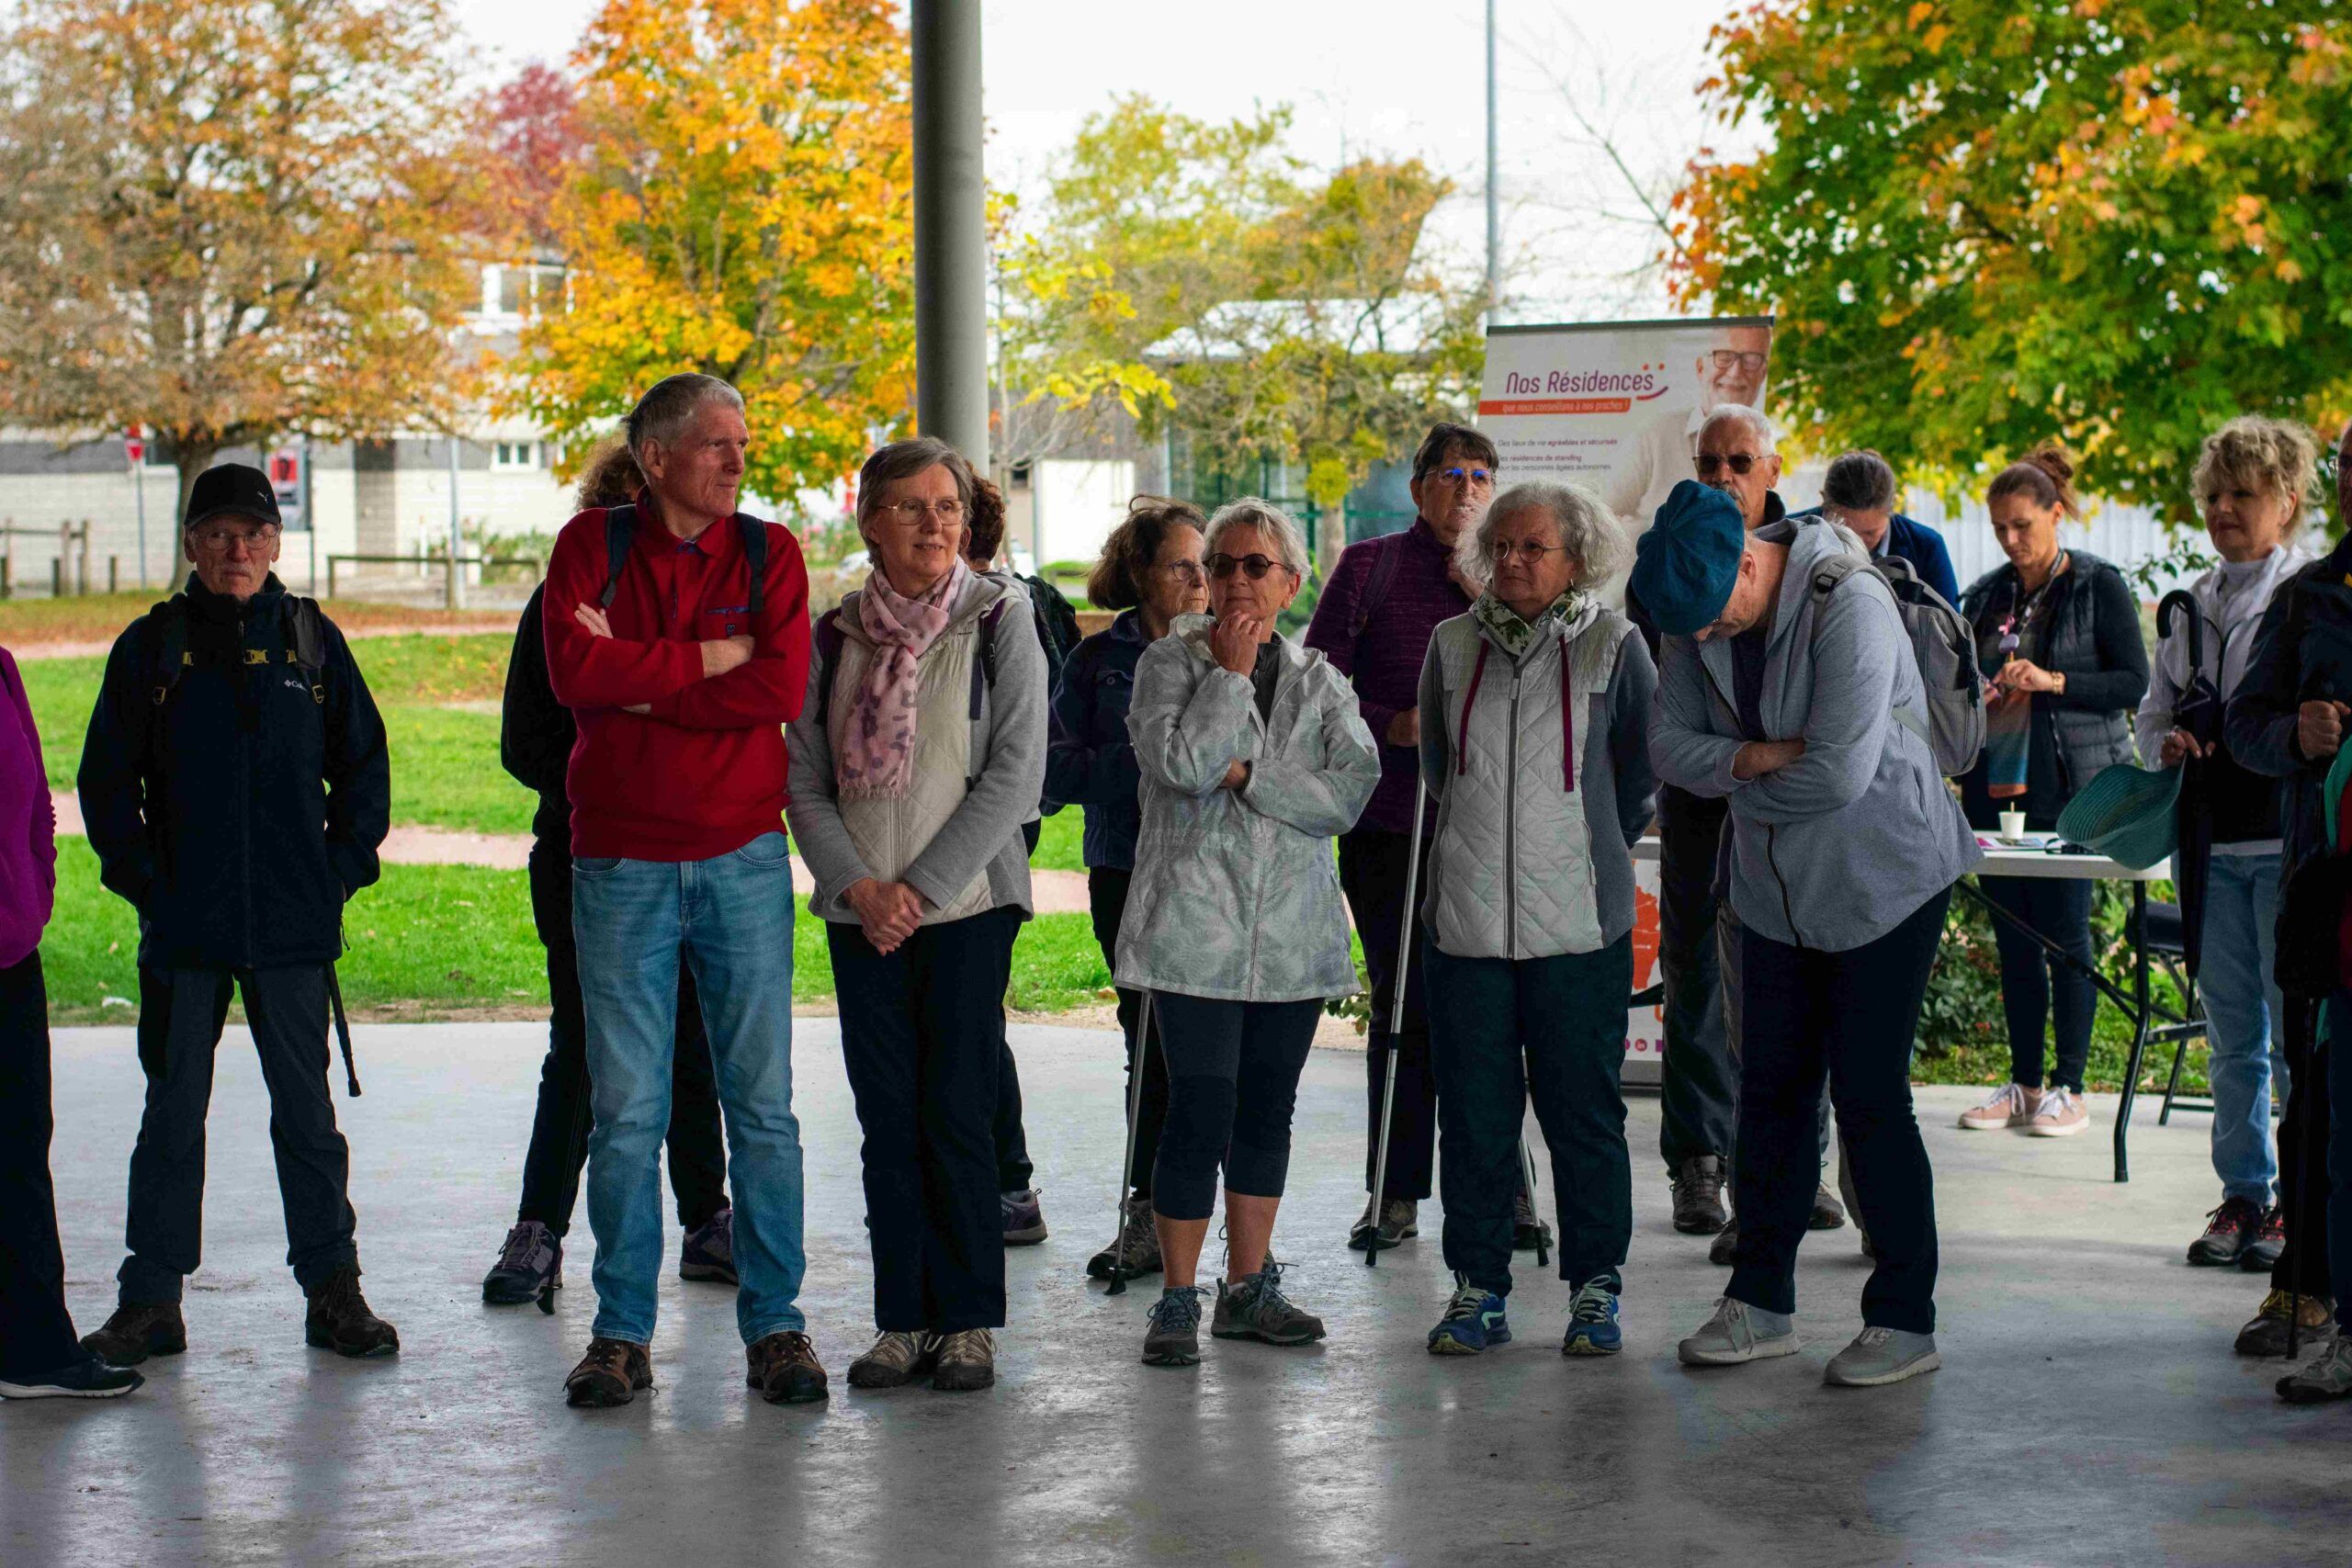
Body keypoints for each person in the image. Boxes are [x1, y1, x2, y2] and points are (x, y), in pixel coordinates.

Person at [1642, 480, 1979, 1388]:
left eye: (1714, 619)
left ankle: (1904, 1320)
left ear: (1750, 561)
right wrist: (1750, 759)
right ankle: (1759, 1304)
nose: (1702, 640)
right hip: (1770, 893)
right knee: (1772, 1093)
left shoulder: (1849, 604)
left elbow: (1835, 777)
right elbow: (1664, 746)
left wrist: (1733, 788)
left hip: (1886, 879)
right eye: (1691, 632)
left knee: (1868, 1095)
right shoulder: (1690, 606)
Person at [542, 373, 825, 1409]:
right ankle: (620, 1334)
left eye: (742, 442)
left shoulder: (770, 553)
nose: (738, 461)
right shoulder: (589, 548)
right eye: (715, 444)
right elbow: (575, 676)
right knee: (625, 1112)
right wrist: (711, 659)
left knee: (763, 1111)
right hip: (618, 863)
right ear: (656, 455)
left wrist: (642, 676)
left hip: (744, 857)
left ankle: (778, 1327)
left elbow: (778, 687)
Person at [75, 463, 397, 1367]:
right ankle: (151, 1302)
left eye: (254, 535)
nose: (237, 550)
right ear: (190, 543)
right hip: (185, 930)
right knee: (171, 1112)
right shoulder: (153, 647)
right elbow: (106, 781)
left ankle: (334, 1293)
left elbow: (364, 769)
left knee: (306, 1112)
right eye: (218, 533)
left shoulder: (310, 639)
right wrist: (147, 882)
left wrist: (338, 871)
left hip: (295, 930)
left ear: (276, 545)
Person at [786, 436, 1047, 1395]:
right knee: (885, 1121)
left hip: (967, 909)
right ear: (869, 521)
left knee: (957, 1116)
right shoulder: (834, 634)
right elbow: (804, 779)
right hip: (862, 916)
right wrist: (860, 887)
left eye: (947, 507)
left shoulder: (999, 619)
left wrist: (920, 890)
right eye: (909, 506)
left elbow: (1016, 771)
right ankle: (903, 1319)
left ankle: (968, 1321)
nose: (934, 523)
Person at [1120, 499, 1379, 1368]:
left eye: (1252, 566)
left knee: (1269, 1110)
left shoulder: (1322, 682)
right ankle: (1177, 1297)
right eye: (1217, 565)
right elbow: (1182, 766)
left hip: (1294, 940)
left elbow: (1346, 793)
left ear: (1291, 584)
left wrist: (1249, 774)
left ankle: (1248, 1287)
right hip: (1195, 933)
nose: (1230, 580)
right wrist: (1227, 679)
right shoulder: (1169, 663)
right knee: (1199, 1106)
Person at [480, 436, 737, 1307]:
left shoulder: (719, 594)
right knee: (586, 1044)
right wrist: (634, 765)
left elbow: (749, 708)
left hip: (701, 853)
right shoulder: (559, 600)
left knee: (692, 1040)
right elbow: (526, 743)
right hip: (590, 852)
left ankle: (708, 1220)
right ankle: (539, 1232)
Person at [1414, 482, 1657, 1358]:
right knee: (1475, 1117)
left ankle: (1596, 1287)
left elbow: (1639, 774)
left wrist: (1583, 843)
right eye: (1502, 547)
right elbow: (1443, 769)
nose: (1512, 561)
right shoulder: (1449, 645)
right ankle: (1479, 1287)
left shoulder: (1614, 645)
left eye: (1534, 548)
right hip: (1467, 929)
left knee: (1581, 1114)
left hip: (1580, 929)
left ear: (1576, 557)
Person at [1306, 422, 1540, 1255]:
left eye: (1482, 475)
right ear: (1417, 488)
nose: (1467, 490)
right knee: (1401, 1011)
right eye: (1450, 474)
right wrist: (1389, 723)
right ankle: (1395, 1192)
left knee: (1489, 1014)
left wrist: (1484, 590)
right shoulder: (1368, 567)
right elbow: (1318, 684)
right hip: (1391, 830)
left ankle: (1504, 1190)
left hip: (1491, 831)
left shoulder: (1516, 572)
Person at [1627, 405, 1844, 1258]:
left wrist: (1752, 758)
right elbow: (1664, 719)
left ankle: (1798, 1164)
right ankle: (1701, 1164)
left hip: (1794, 813)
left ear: (1772, 468)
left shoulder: (1818, 567)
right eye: (1709, 461)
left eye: (1738, 462)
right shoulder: (1670, 554)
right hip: (1702, 807)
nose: (1721, 476)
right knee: (1696, 983)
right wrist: (1744, 756)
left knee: (1798, 986)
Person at [2138, 417, 2316, 1268]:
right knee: (2233, 1036)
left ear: (2285, 500)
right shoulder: (2190, 604)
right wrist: (2167, 740)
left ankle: (2299, 1205)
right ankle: (2242, 1197)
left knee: (2293, 1039)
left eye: (2242, 494)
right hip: (2207, 846)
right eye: (2213, 495)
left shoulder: (2307, 599)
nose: (2223, 509)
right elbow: (2150, 714)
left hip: (2286, 845)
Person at [1954, 445, 2149, 1139]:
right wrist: (1976, 690)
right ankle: (2026, 1084)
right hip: (1997, 787)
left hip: (2075, 790)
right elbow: (1951, 683)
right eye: (2000, 527)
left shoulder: (2098, 585)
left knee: (2067, 937)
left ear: (2056, 515)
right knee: (2014, 939)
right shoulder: (1984, 595)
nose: (2011, 540)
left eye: (2023, 526)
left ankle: (2073, 1085)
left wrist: (2055, 682)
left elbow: (2133, 683)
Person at [1043, 496, 1210, 1281]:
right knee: (1145, 1042)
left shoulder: (1227, 651)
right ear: (1142, 571)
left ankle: (1223, 1221)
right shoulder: (1094, 660)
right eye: (1182, 565)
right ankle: (1146, 1213)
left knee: (1209, 1050)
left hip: (1214, 871)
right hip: (1126, 866)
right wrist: (1142, 761)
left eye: (1206, 565)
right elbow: (1052, 767)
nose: (1201, 580)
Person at [2225, 418, 2352, 1396]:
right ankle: (2309, 1290)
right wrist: (2294, 735)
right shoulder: (2313, 599)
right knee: (2318, 1093)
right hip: (2329, 887)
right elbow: (2245, 727)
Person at [0, 642, 142, 1400]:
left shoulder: (2, 667)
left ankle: (31, 1349)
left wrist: (37, 891)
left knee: (20, 1148)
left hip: (10, 954)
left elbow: (35, 802)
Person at [959, 477, 1052, 1247]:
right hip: (987, 835)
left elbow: (1020, 762)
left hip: (994, 839)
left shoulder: (1004, 610)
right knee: (973, 1019)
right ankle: (1003, 1178)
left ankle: (1011, 1179)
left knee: (976, 1018)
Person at [1604, 321, 1774, 533]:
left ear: (1773, 471)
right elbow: (1602, 515)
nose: (1735, 371)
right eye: (1723, 357)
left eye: (1751, 360)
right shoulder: (1654, 435)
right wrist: (1660, 539)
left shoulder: (1768, 447)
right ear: (1700, 367)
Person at [1794, 448, 1960, 605]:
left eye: (1870, 534)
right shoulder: (1791, 535)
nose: (1857, 542)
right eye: (1845, 531)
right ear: (1825, 504)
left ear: (1892, 510)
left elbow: (1949, 630)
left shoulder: (1926, 547)